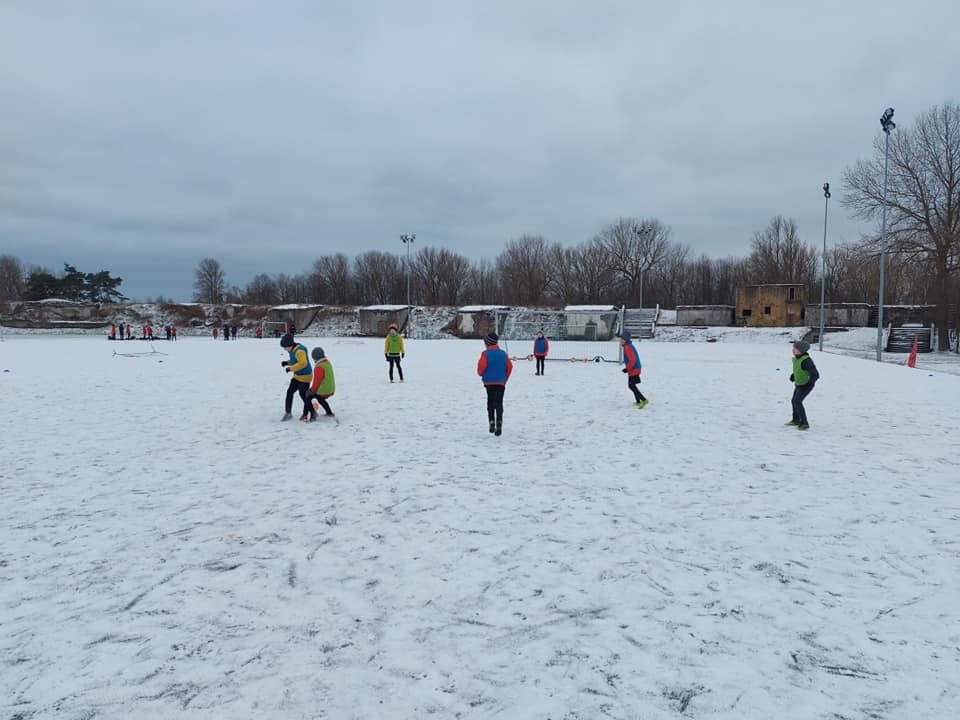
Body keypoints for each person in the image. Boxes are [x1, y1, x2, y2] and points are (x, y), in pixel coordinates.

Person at [477, 332, 513, 436]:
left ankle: (491, 422)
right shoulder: (503, 354)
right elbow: (509, 367)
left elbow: (480, 369)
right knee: (499, 403)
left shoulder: (485, 354)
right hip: (501, 382)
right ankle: (499, 423)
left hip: (489, 383)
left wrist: (482, 374)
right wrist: (505, 378)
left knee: (490, 402)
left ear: (487, 343)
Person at [787, 340, 820, 430]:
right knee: (794, 401)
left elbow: (815, 375)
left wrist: (809, 383)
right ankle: (796, 420)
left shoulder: (806, 361)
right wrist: (793, 376)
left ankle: (804, 423)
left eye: (795, 349)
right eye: (793, 348)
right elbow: (800, 370)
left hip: (806, 385)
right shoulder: (797, 358)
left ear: (801, 350)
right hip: (799, 384)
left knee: (797, 402)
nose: (793, 350)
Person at [280, 333, 312, 421]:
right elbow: (295, 361)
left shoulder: (299, 351)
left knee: (303, 396)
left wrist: (291, 369)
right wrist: (287, 362)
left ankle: (312, 412)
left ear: (290, 345)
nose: (284, 349)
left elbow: (303, 363)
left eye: (285, 347)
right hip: (297, 376)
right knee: (289, 392)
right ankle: (288, 413)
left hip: (305, 376)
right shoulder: (292, 350)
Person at [618, 331, 648, 408]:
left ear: (626, 340)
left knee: (631, 385)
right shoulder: (627, 346)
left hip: (634, 368)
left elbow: (632, 360)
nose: (620, 340)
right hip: (633, 368)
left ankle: (644, 400)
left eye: (622, 339)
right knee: (631, 385)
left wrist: (627, 369)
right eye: (620, 339)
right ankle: (638, 401)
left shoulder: (628, 347)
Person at [306, 347, 336, 418]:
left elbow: (316, 382)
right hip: (331, 388)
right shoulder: (327, 363)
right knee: (320, 399)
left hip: (324, 390)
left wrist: (311, 391)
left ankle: (311, 415)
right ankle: (329, 412)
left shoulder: (319, 367)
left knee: (308, 397)